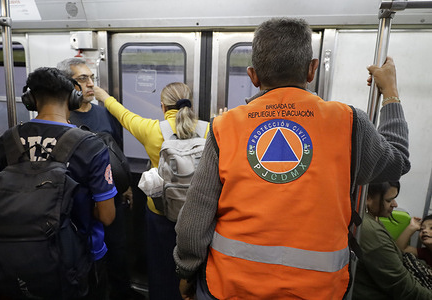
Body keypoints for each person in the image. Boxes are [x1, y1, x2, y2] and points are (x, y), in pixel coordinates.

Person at [173, 18, 411, 300]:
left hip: (231, 287)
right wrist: (391, 93)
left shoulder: (225, 127)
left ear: (253, 76)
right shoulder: (348, 123)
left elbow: (195, 218)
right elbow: (397, 159)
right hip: (319, 291)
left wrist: (187, 271)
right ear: (311, 70)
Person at [0, 67, 116, 299]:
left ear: (31, 100)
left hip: (15, 252)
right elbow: (107, 216)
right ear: (73, 96)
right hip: (77, 255)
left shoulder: (7, 141)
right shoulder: (90, 145)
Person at [94, 82, 209, 300]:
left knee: (161, 268)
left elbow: (123, 114)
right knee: (196, 270)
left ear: (163, 107)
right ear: (189, 104)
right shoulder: (211, 129)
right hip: (198, 216)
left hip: (160, 214)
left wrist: (102, 95)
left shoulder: (151, 130)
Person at [56, 58, 137, 300]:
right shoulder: (63, 118)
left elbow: (116, 153)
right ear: (67, 84)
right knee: (85, 257)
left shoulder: (103, 113)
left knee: (118, 251)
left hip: (110, 197)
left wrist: (125, 187)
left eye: (92, 78)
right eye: (83, 79)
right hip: (80, 203)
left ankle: (123, 292)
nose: (91, 84)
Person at [352, 182, 432, 299]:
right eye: (389, 200)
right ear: (367, 198)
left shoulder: (372, 220)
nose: (395, 204)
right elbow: (401, 284)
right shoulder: (371, 231)